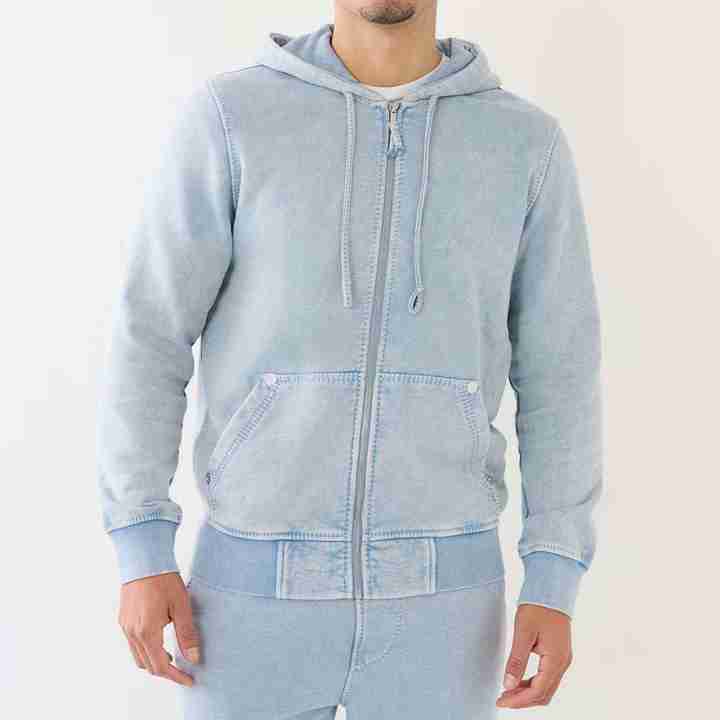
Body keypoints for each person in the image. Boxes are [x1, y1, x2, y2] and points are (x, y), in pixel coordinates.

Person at [97, 2, 603, 718]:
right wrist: (142, 546)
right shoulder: (232, 118)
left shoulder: (525, 145)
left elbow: (561, 372)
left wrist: (554, 572)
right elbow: (150, 334)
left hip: (446, 611)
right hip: (247, 603)